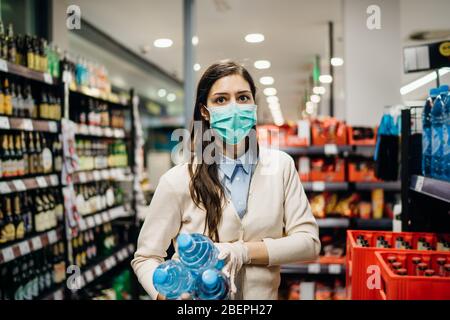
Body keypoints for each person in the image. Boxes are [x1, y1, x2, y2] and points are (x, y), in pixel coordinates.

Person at [131, 60, 320, 300]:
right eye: (221, 99)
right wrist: (166, 296)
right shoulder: (177, 180)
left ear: (253, 104)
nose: (234, 107)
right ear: (204, 111)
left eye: (242, 98)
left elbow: (309, 243)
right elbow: (146, 257)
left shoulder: (281, 167)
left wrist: (242, 252)